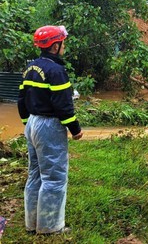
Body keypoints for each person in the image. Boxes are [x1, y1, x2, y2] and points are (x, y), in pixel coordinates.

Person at [18, 25, 83, 235]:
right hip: (49, 125)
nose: (64, 46)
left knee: (35, 174)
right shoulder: (56, 71)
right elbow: (63, 106)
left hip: (32, 123)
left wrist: (28, 123)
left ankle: (32, 223)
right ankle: (50, 227)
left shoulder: (31, 68)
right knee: (54, 177)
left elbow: (21, 100)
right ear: (55, 46)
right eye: (62, 42)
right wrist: (75, 129)